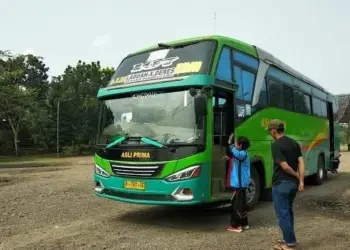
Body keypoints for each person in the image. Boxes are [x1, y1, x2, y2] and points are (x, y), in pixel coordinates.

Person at [267, 119, 305, 250]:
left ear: (273, 131)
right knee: (288, 211)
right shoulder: (294, 143)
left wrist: (295, 175)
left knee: (282, 213)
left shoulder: (276, 145)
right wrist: (301, 180)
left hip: (281, 183)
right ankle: (288, 238)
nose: (270, 133)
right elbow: (300, 162)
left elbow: (285, 166)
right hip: (293, 185)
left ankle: (289, 243)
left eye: (270, 131)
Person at [226, 133, 251, 233]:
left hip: (240, 184)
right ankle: (245, 224)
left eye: (236, 144)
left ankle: (236, 226)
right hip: (242, 183)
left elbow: (234, 152)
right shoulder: (243, 153)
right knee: (242, 205)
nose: (235, 145)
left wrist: (229, 143)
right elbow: (235, 155)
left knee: (237, 206)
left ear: (240, 145)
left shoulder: (242, 154)